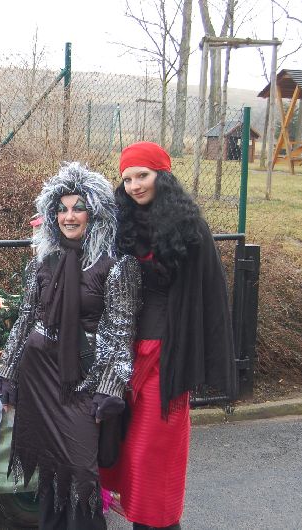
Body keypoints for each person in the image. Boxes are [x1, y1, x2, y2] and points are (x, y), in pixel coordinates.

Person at [0, 162, 141, 529]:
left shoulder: (116, 265)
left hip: (82, 380)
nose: (69, 216)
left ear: (96, 213)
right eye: (61, 209)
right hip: (39, 376)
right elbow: (26, 319)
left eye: (78, 208)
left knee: (81, 469)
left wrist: (110, 388)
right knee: (50, 468)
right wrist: (7, 371)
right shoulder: (43, 262)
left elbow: (121, 331)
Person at [100, 142, 236, 530]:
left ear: (163, 175)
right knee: (124, 451)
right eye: (127, 178)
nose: (134, 186)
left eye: (142, 175)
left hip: (166, 357)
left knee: (153, 455)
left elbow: (209, 295)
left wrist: (206, 360)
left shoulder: (189, 228)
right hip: (123, 353)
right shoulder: (121, 222)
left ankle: (158, 522)